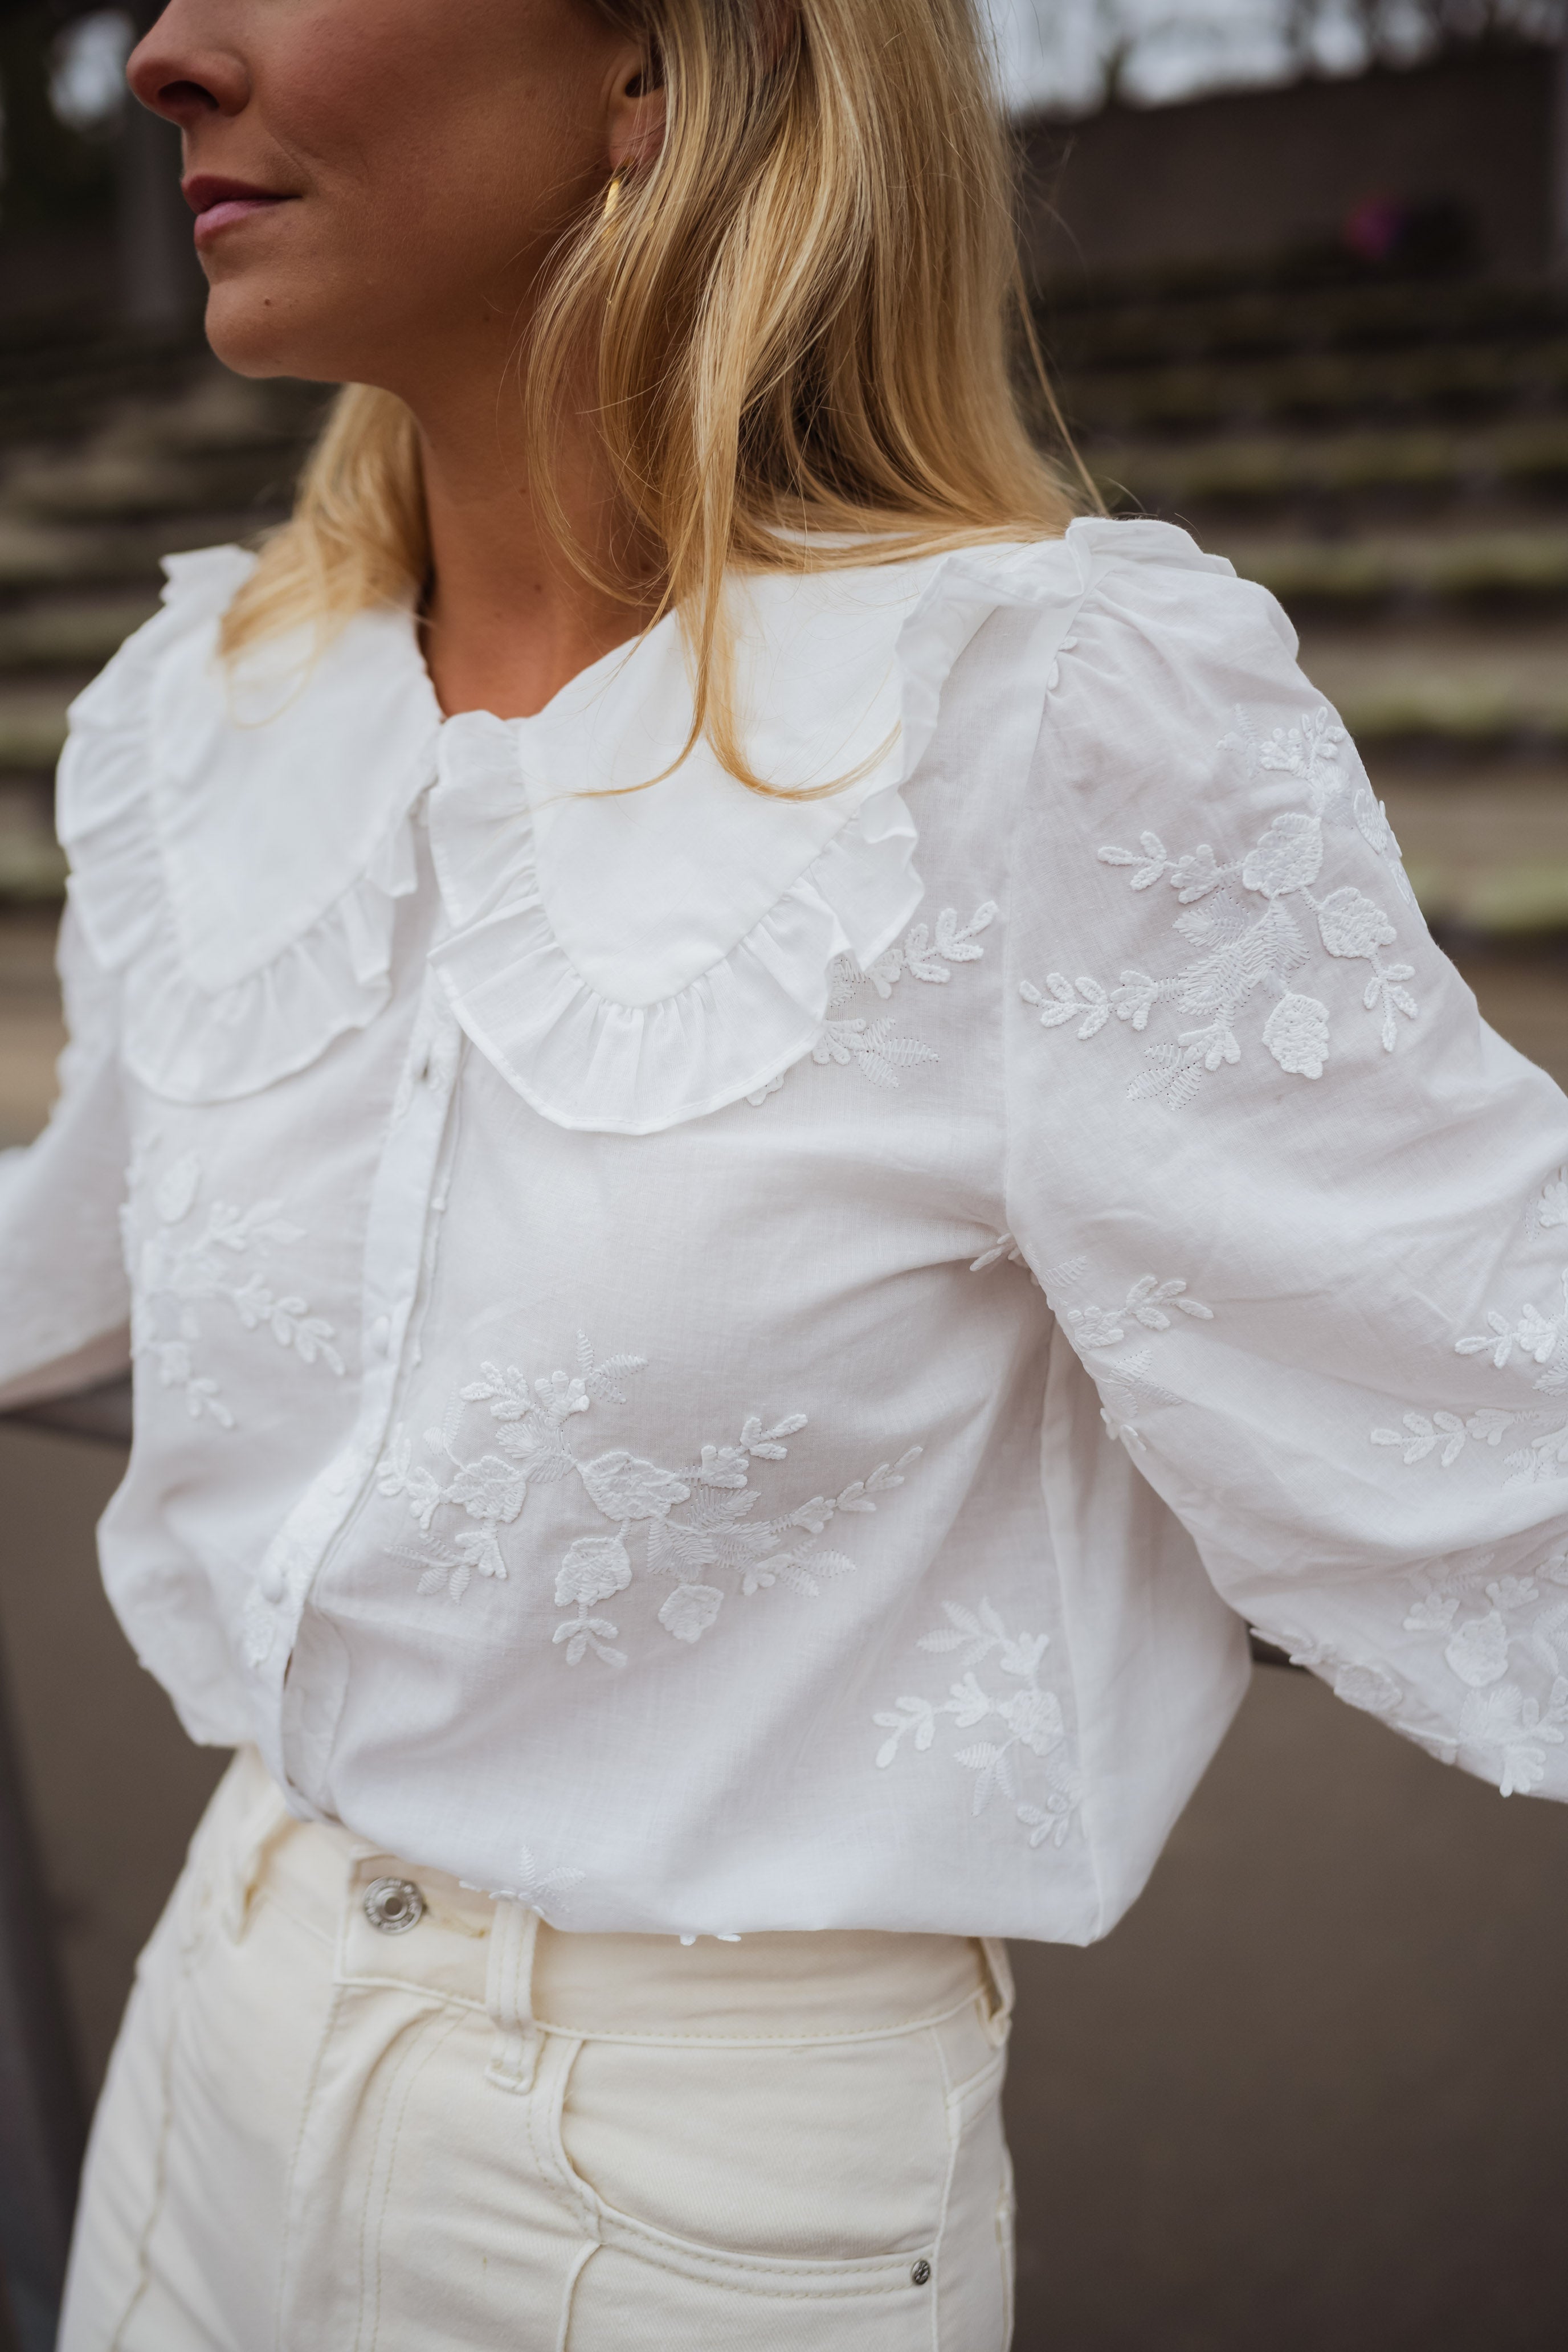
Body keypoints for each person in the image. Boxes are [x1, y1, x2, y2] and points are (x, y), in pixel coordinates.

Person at [2, 1, 1564, 2344]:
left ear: (658, 70)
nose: (162, 53)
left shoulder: (1032, 720)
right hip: (208, 2037)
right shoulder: (210, 711)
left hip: (692, 2216)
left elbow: (1505, 1403)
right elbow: (72, 1242)